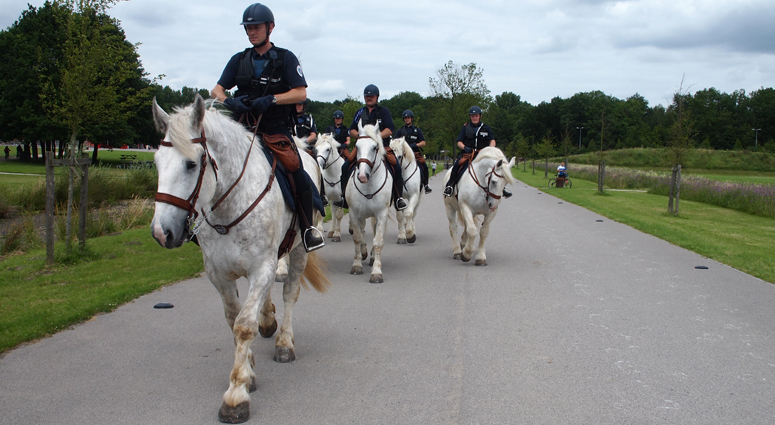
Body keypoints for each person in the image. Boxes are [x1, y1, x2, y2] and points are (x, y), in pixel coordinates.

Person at [210, 2, 324, 252]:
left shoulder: (285, 58)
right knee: (209, 165)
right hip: (241, 129)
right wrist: (229, 101)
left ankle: (307, 229)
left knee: (296, 168)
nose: (252, 32)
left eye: (256, 27)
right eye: (248, 28)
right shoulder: (238, 60)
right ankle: (201, 228)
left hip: (274, 130)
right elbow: (216, 89)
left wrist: (273, 99)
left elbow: (300, 93)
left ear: (270, 28)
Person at [333, 84, 407, 211]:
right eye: (367, 96)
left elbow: (390, 129)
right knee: (345, 166)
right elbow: (352, 130)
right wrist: (362, 137)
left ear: (377, 97)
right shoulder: (359, 112)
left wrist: (376, 137)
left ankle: (398, 198)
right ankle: (344, 197)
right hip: (363, 147)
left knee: (396, 167)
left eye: (371, 96)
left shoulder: (384, 111)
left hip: (381, 146)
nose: (369, 98)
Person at [443, 106, 512, 198]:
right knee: (457, 165)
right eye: (472, 116)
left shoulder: (485, 128)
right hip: (468, 154)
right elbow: (459, 142)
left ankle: (502, 189)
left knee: (496, 169)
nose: (474, 118)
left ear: (480, 116)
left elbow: (492, 140)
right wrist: (465, 147)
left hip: (482, 155)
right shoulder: (465, 127)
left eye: (476, 116)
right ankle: (450, 186)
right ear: (470, 117)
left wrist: (490, 148)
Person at [394, 110, 432, 194]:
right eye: (405, 118)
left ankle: (426, 184)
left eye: (408, 118)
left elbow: (423, 142)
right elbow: (395, 141)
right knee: (395, 165)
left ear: (411, 119)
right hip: (403, 154)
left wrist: (416, 145)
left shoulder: (417, 130)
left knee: (424, 165)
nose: (407, 119)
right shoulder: (400, 131)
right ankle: (394, 185)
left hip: (415, 153)